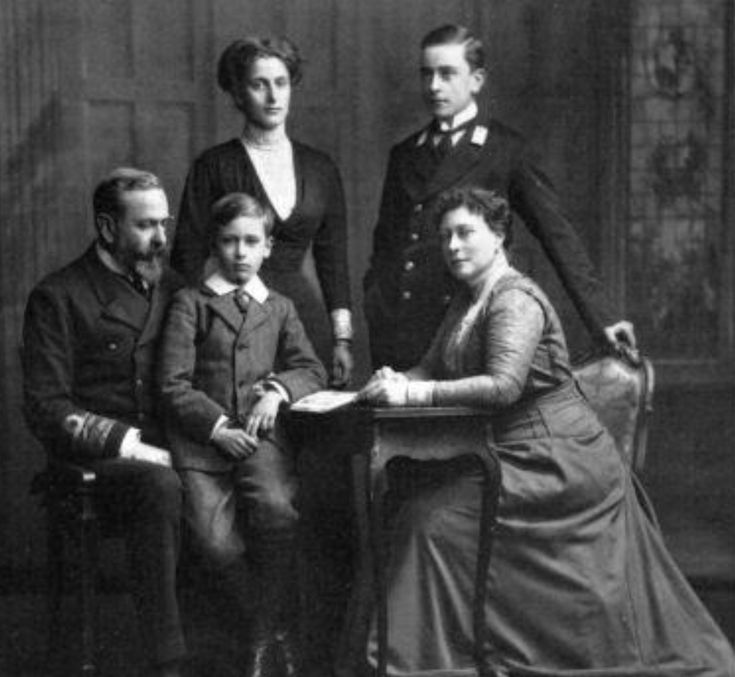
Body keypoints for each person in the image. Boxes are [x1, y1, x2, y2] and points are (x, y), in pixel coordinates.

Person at [358, 187, 735, 677]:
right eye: (445, 235)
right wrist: (394, 379)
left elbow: (502, 387)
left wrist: (411, 397)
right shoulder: (468, 297)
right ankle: (426, 656)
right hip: (507, 449)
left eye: (465, 232)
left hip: (558, 458)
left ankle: (423, 662)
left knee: (431, 522)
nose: (452, 245)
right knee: (420, 514)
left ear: (497, 236)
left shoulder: (515, 299)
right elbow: (431, 366)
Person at [363, 23, 636, 370]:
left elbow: (558, 236)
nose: (434, 86)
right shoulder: (404, 153)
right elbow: (386, 244)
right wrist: (376, 302)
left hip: (464, 327)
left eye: (447, 74)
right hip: (399, 330)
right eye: (427, 74)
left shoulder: (505, 150)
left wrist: (603, 318)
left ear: (476, 80)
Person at [22, 168, 186, 677]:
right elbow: (47, 406)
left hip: (173, 447)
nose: (160, 238)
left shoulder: (177, 288)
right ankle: (169, 660)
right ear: (108, 228)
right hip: (99, 464)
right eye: (145, 226)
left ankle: (241, 640)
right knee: (161, 485)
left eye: (164, 224)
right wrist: (130, 446)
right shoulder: (60, 296)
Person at [158, 193, 326, 677]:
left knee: (277, 513)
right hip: (201, 445)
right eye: (229, 241)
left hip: (260, 441)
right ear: (215, 243)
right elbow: (171, 383)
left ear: (269, 246)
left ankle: (260, 636)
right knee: (215, 545)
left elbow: (310, 369)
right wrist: (216, 427)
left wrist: (277, 391)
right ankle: (267, 624)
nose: (240, 252)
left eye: (251, 241)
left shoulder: (279, 307)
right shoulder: (191, 303)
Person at [171, 36, 353, 387]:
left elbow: (334, 260)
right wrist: (192, 333)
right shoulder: (214, 165)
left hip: (304, 317)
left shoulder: (320, 167)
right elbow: (186, 258)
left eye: (281, 83)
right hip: (231, 318)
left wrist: (342, 339)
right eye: (259, 85)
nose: (273, 97)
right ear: (239, 94)